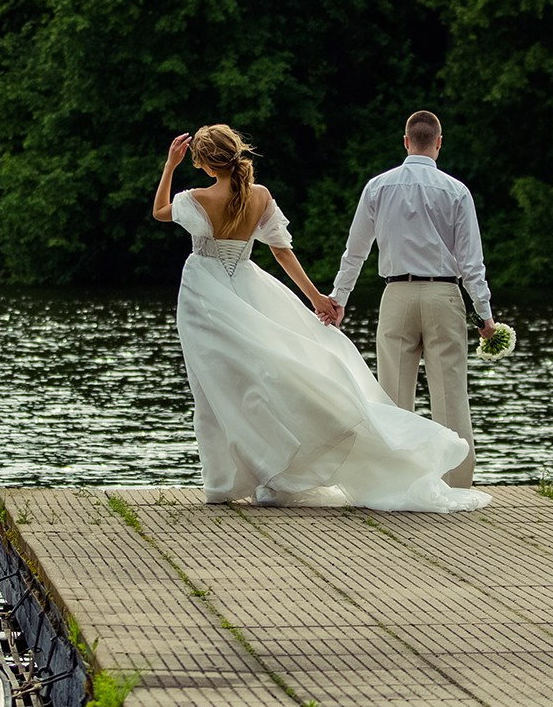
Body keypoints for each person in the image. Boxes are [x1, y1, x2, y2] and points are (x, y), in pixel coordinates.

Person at [153, 124, 487, 512]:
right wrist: (317, 299)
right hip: (247, 288)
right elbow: (282, 253)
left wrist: (169, 166)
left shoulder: (198, 197)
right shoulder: (258, 196)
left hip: (205, 296)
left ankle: (228, 479)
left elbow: (160, 212)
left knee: (215, 387)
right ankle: (266, 472)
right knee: (265, 380)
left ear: (204, 162)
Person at [327, 110, 495, 488]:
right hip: (443, 294)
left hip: (397, 294)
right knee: (450, 397)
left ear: (405, 142)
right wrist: (484, 315)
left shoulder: (377, 187)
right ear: (438, 142)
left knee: (393, 397)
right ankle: (456, 485)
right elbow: (471, 263)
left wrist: (340, 299)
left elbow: (355, 252)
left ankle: (396, 483)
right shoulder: (456, 191)